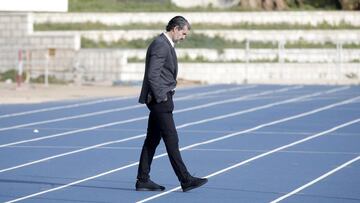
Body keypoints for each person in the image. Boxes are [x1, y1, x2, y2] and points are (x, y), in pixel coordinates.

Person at [136, 16, 208, 192]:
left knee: (152, 140)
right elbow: (153, 75)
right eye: (183, 33)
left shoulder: (164, 44)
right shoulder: (161, 44)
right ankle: (185, 179)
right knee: (171, 139)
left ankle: (142, 180)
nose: (184, 37)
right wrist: (162, 97)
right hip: (160, 100)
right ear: (175, 29)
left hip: (161, 99)